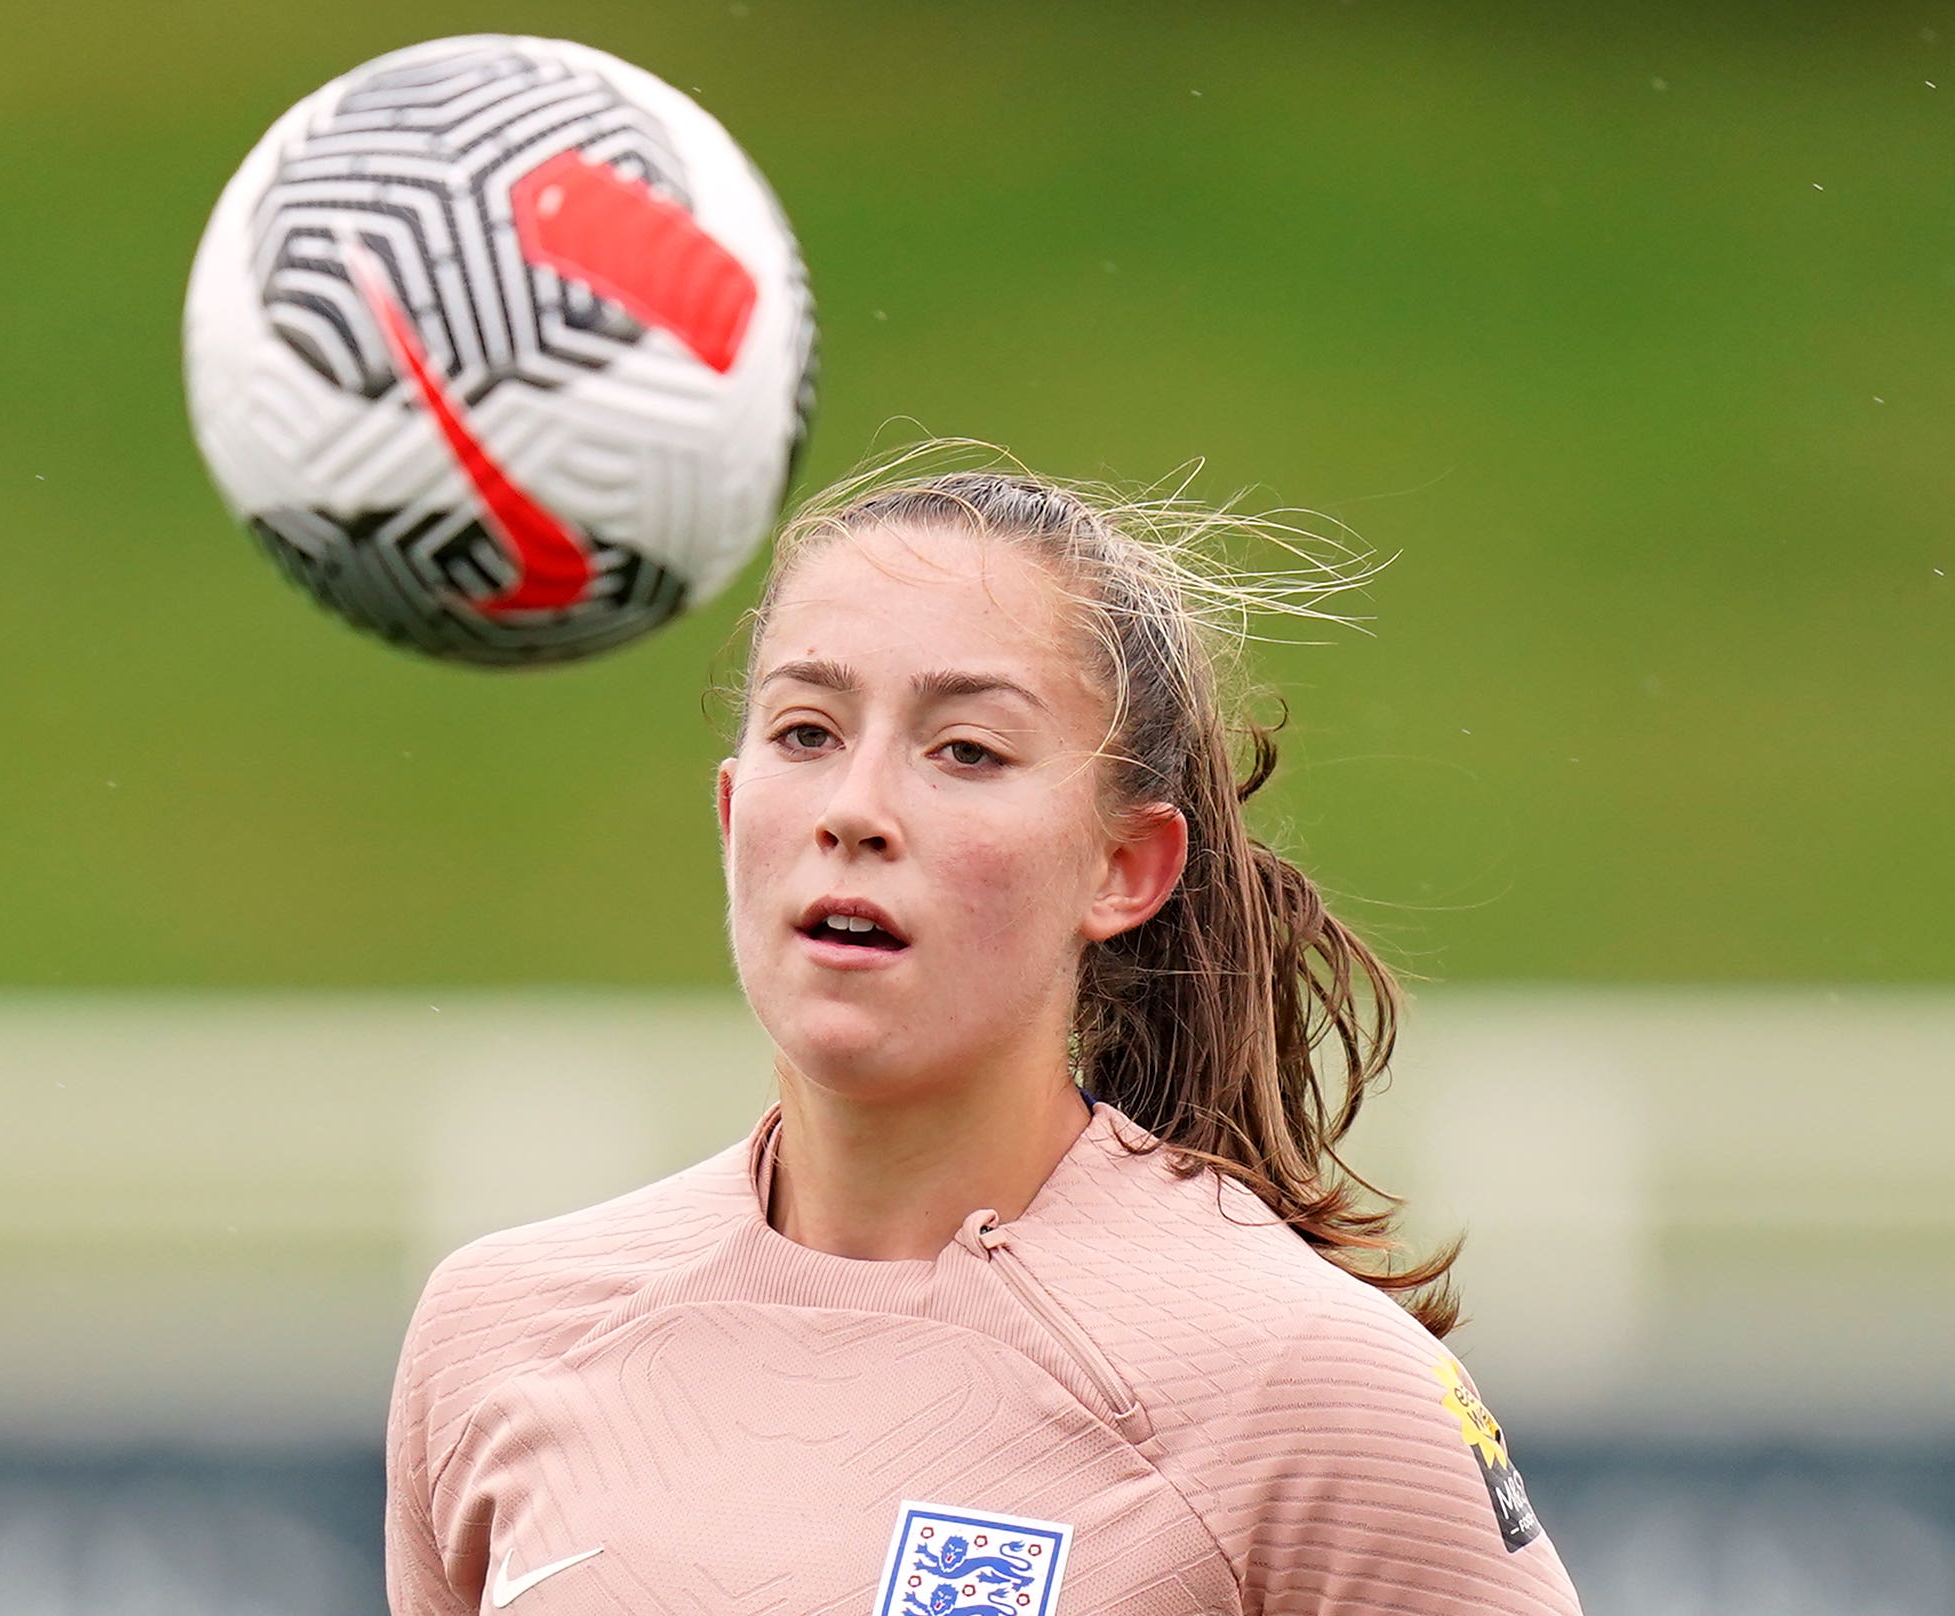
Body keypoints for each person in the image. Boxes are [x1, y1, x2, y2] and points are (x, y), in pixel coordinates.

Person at [385, 459, 1584, 1615]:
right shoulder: (503, 1330)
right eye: (806, 731)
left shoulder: (1304, 1387)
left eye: (967, 749)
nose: (855, 808)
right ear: (731, 803)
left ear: (1125, 866)